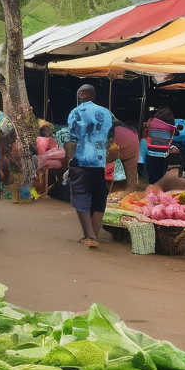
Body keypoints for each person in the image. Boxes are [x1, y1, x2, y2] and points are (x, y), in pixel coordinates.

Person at [66, 83, 114, 248]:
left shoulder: (75, 112)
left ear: (80, 96)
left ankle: (90, 237)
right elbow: (112, 135)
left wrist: (68, 161)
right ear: (93, 96)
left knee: (82, 197)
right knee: (99, 198)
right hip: (99, 162)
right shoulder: (107, 113)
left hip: (81, 161)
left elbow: (71, 139)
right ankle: (94, 235)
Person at [144, 107, 178, 185]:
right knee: (161, 178)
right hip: (163, 156)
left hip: (151, 154)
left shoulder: (152, 124)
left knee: (153, 180)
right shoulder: (170, 127)